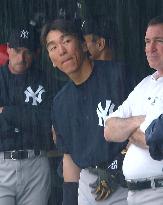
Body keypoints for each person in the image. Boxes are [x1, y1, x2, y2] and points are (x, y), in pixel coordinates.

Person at [41, 18, 129, 205]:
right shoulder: (60, 103)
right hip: (88, 184)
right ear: (52, 60)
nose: (62, 51)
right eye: (53, 47)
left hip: (125, 183)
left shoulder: (118, 75)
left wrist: (116, 168)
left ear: (82, 44)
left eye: (66, 41)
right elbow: (69, 156)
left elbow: (145, 124)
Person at [104, 15, 163, 205]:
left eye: (159, 41)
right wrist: (141, 122)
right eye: (147, 41)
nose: (150, 48)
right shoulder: (145, 84)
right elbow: (109, 129)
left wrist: (129, 133)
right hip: (133, 194)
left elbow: (157, 139)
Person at [0, 25, 55, 205]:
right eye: (16, 50)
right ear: (8, 47)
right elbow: (36, 121)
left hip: (36, 163)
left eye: (27, 52)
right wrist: (30, 117)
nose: (21, 58)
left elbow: (47, 122)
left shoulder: (45, 79)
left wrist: (7, 112)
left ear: (37, 53)